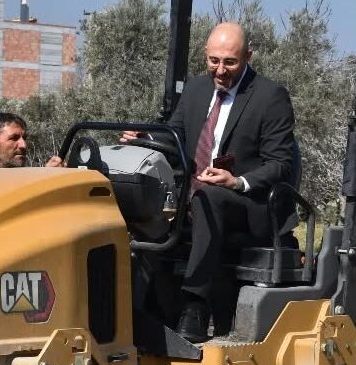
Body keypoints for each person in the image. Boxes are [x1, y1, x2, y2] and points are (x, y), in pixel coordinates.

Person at [123, 22, 298, 343]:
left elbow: (280, 164)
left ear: (247, 56)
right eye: (213, 61)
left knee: (209, 198)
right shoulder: (196, 89)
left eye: (229, 62)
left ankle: (195, 305)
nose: (220, 70)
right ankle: (135, 301)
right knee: (138, 193)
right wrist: (145, 137)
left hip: (248, 202)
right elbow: (175, 136)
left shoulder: (270, 97)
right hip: (195, 191)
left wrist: (238, 181)